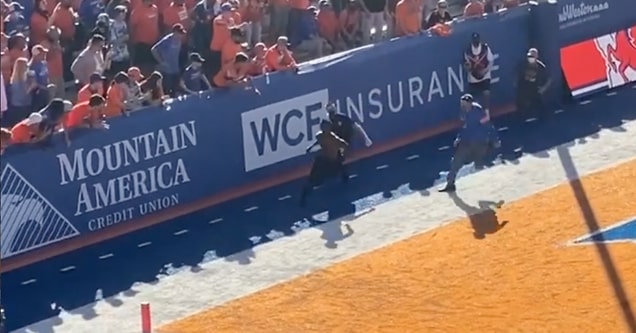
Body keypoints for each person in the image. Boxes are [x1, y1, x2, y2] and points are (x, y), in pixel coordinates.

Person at [439, 94, 493, 193]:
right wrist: (459, 138)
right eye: (462, 103)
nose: (463, 105)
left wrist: (492, 139)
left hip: (478, 141)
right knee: (456, 162)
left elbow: (487, 125)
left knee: (479, 164)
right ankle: (450, 184)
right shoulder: (463, 112)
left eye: (464, 103)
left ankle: (489, 183)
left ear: (470, 103)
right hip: (466, 141)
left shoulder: (478, 111)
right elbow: (464, 126)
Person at [300, 120, 349, 206]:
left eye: (325, 127)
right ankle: (304, 197)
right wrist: (311, 147)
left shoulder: (334, 138)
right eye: (322, 127)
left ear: (329, 128)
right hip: (324, 161)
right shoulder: (319, 136)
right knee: (313, 180)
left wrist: (342, 153)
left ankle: (344, 177)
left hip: (332, 161)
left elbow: (344, 144)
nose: (323, 128)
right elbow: (319, 141)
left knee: (338, 163)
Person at [516, 48, 550, 120]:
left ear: (536, 57)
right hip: (524, 87)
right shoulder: (523, 65)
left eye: (532, 57)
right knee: (521, 102)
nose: (530, 58)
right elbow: (518, 74)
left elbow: (548, 78)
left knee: (538, 103)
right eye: (529, 56)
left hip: (535, 88)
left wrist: (543, 88)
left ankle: (543, 117)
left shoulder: (541, 67)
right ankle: (522, 117)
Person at [463, 32, 494, 112]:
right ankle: (474, 114)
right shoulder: (467, 51)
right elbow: (467, 65)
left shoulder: (485, 48)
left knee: (486, 93)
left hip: (485, 75)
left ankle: (487, 113)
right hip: (473, 78)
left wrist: (485, 71)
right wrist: (468, 68)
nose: (476, 43)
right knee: (473, 98)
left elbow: (491, 61)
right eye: (474, 41)